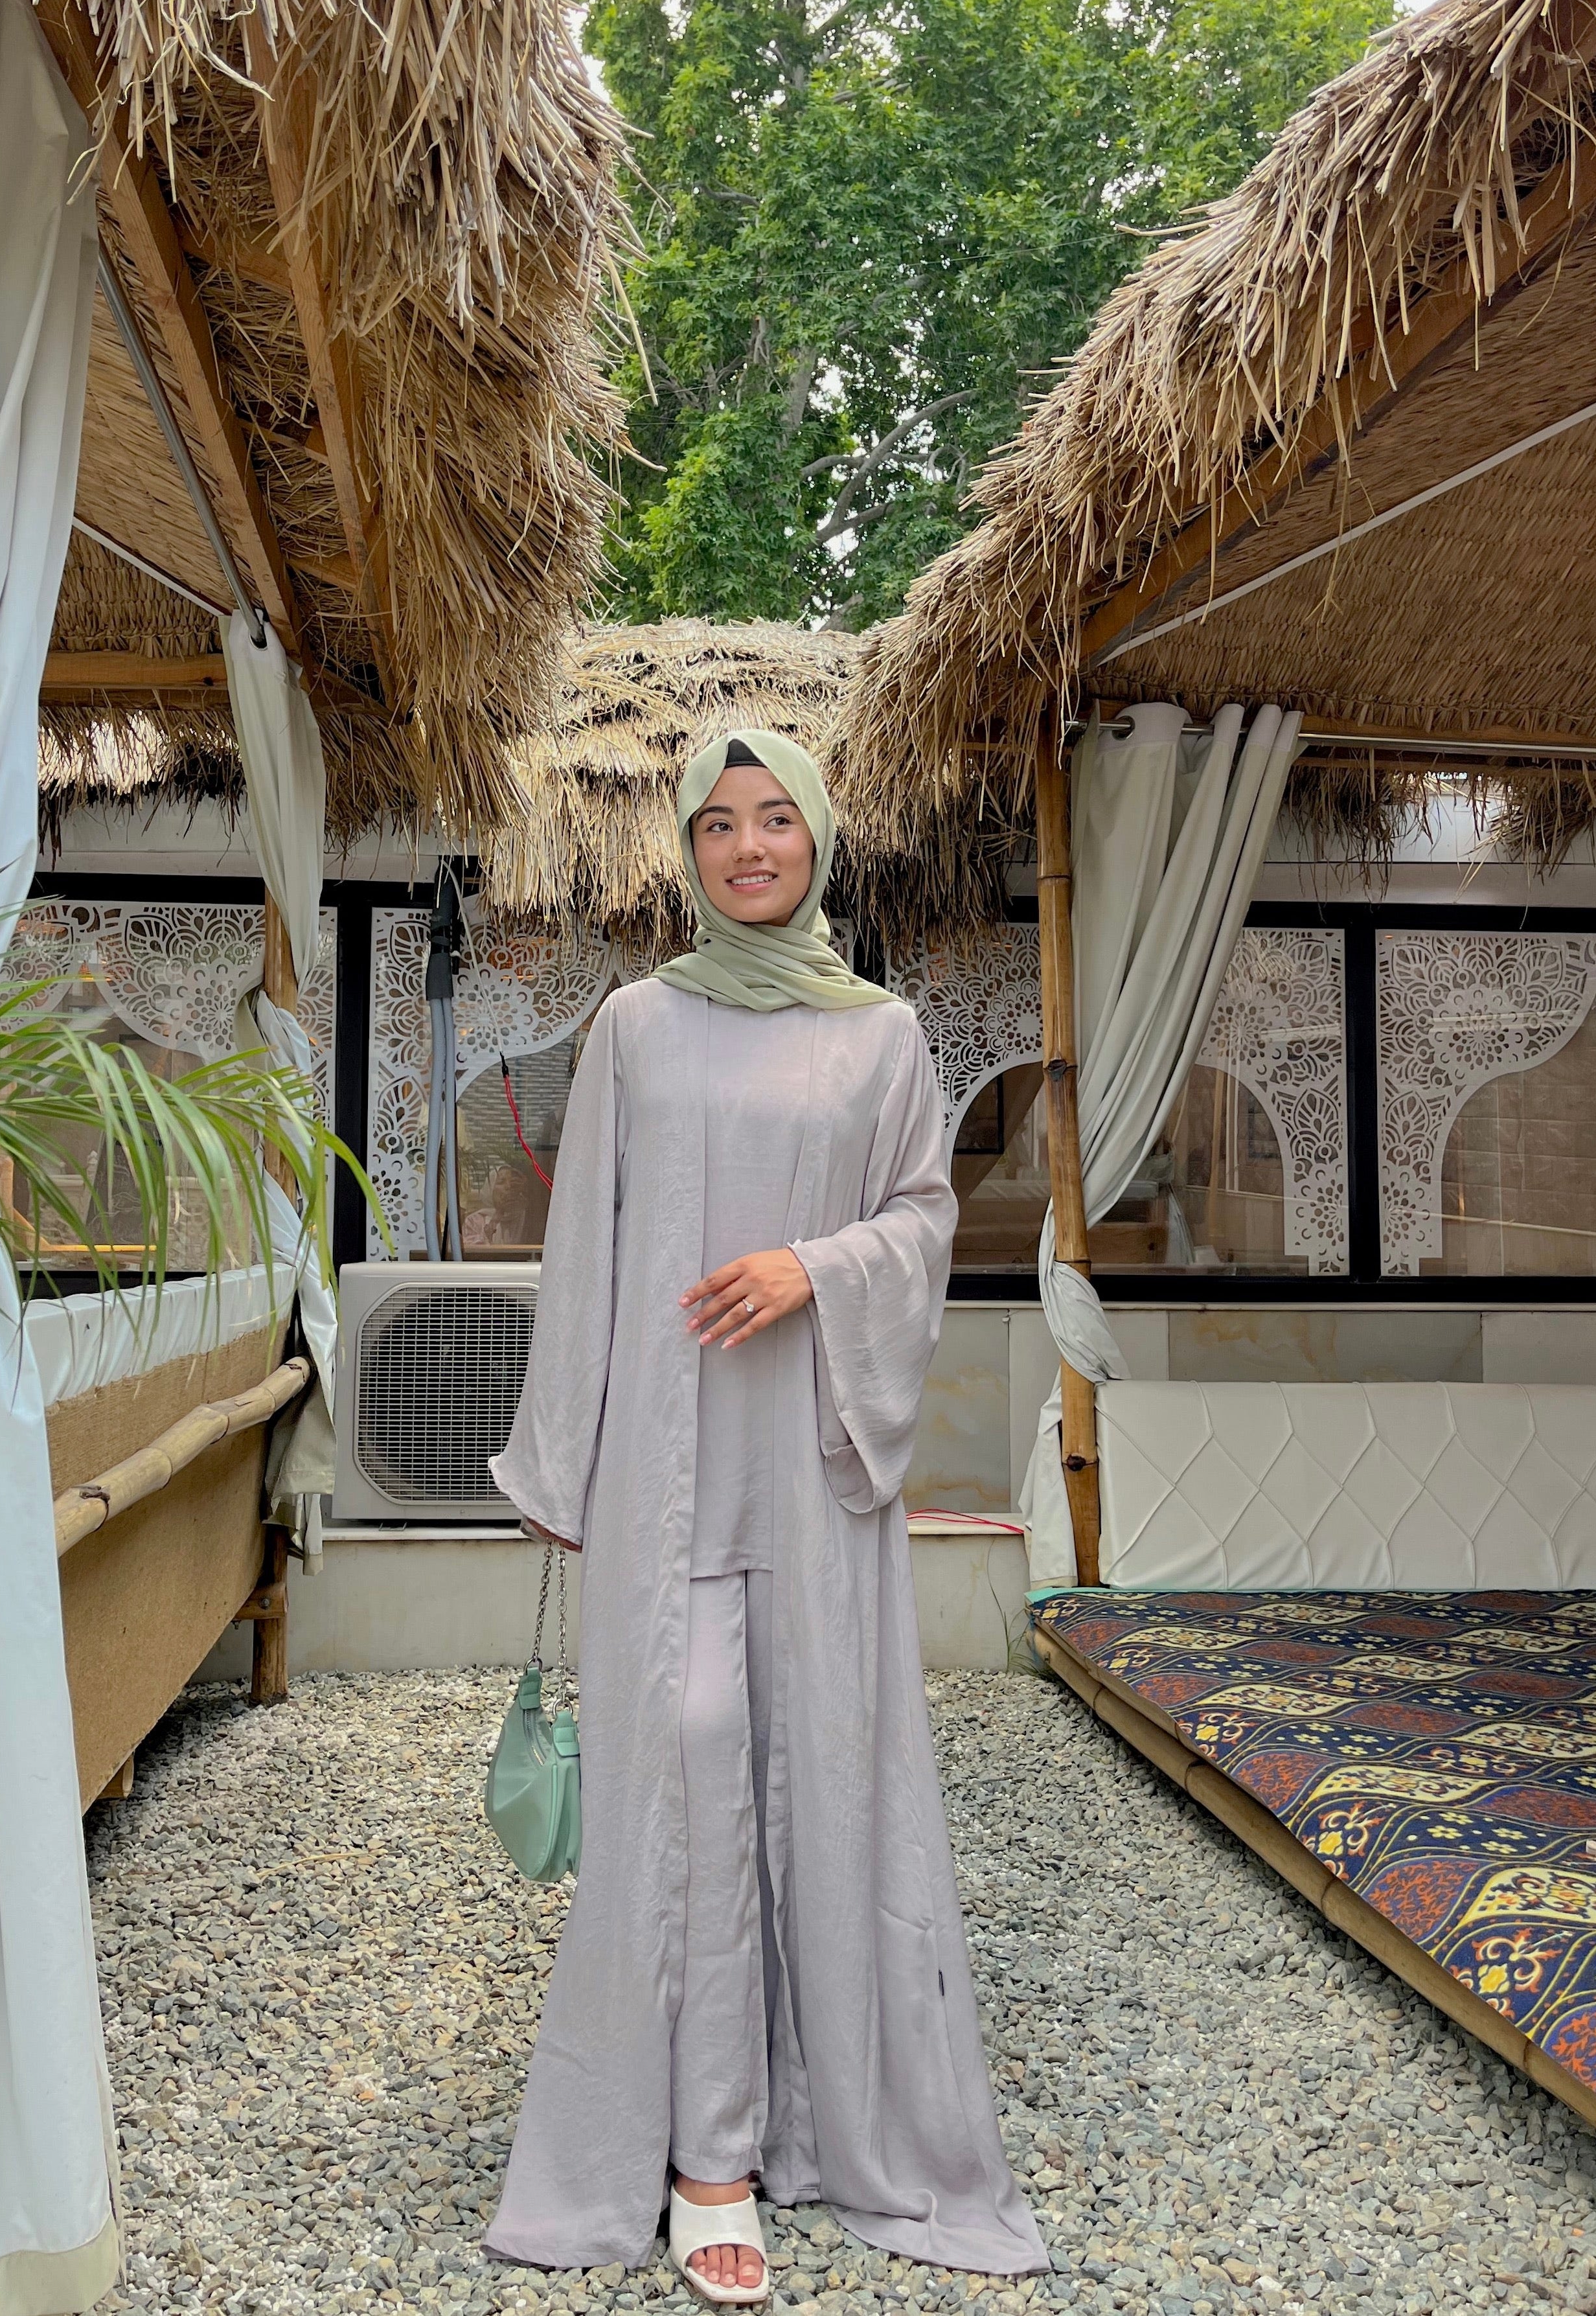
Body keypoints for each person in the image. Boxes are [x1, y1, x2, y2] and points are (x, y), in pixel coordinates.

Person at [484, 730, 1047, 2304]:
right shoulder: (635, 1027)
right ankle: (707, 2153)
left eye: (776, 818)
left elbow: (922, 1221)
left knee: (823, 1782)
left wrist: (816, 1267)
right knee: (688, 1776)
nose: (748, 847)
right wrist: (562, 1459)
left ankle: (825, 2120)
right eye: (719, 824)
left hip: (809, 1464)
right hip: (660, 1464)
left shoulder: (882, 1037)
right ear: (686, 850)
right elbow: (586, 1253)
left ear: (818, 841)